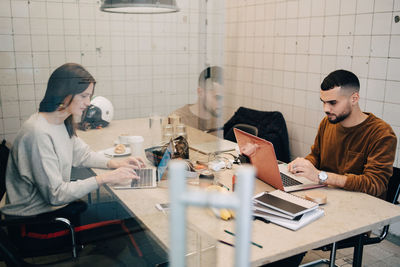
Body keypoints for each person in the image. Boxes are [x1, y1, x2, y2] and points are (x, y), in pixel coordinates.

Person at [0, 63, 147, 252]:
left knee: (121, 214)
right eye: (84, 96)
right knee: (126, 223)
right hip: (32, 227)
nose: (88, 102)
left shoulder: (59, 120)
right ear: (65, 93)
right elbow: (56, 195)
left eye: (90, 96)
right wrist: (105, 178)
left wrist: (115, 163)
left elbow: (82, 155)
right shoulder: (37, 133)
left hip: (51, 213)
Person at [287, 69, 397, 199]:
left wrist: (321, 176)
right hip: (327, 196)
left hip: (361, 207)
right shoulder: (328, 123)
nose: (326, 109)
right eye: (323, 101)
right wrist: (303, 165)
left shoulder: (381, 133)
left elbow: (375, 184)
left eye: (333, 103)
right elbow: (316, 156)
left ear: (354, 99)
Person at [171, 66, 223, 132]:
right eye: (218, 98)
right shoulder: (178, 119)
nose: (222, 103)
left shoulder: (222, 119)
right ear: (200, 92)